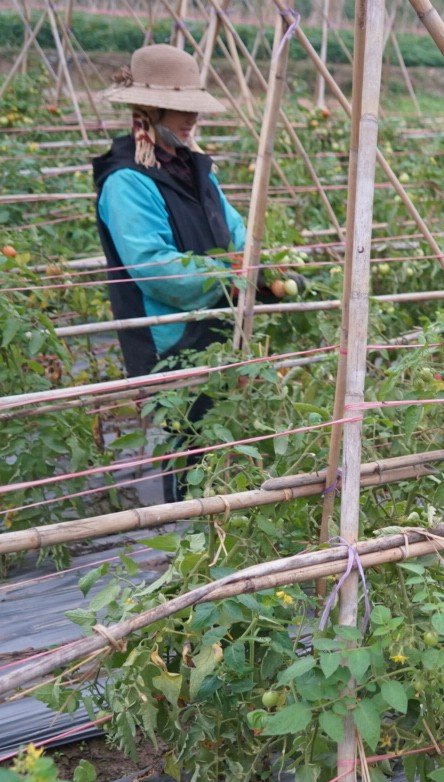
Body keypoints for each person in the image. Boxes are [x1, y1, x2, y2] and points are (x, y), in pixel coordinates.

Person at [93, 44, 250, 502]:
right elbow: (156, 269)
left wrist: (251, 264)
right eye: (179, 109)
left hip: (217, 324)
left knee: (224, 436)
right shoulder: (127, 181)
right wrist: (230, 273)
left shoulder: (196, 169)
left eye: (192, 109)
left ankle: (216, 533)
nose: (190, 120)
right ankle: (187, 541)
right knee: (192, 442)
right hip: (171, 339)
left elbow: (235, 230)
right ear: (149, 110)